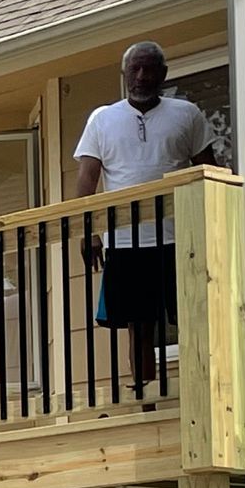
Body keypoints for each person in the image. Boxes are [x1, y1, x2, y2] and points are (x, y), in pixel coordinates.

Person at [74, 41, 219, 388]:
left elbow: (210, 170)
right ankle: (145, 397)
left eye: (149, 68)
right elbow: (87, 180)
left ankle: (201, 390)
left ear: (163, 74)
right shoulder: (102, 119)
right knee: (138, 327)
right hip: (125, 242)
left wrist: (214, 226)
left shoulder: (186, 114)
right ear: (124, 74)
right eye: (134, 69)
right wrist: (89, 231)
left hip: (180, 236)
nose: (141, 76)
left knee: (192, 315)